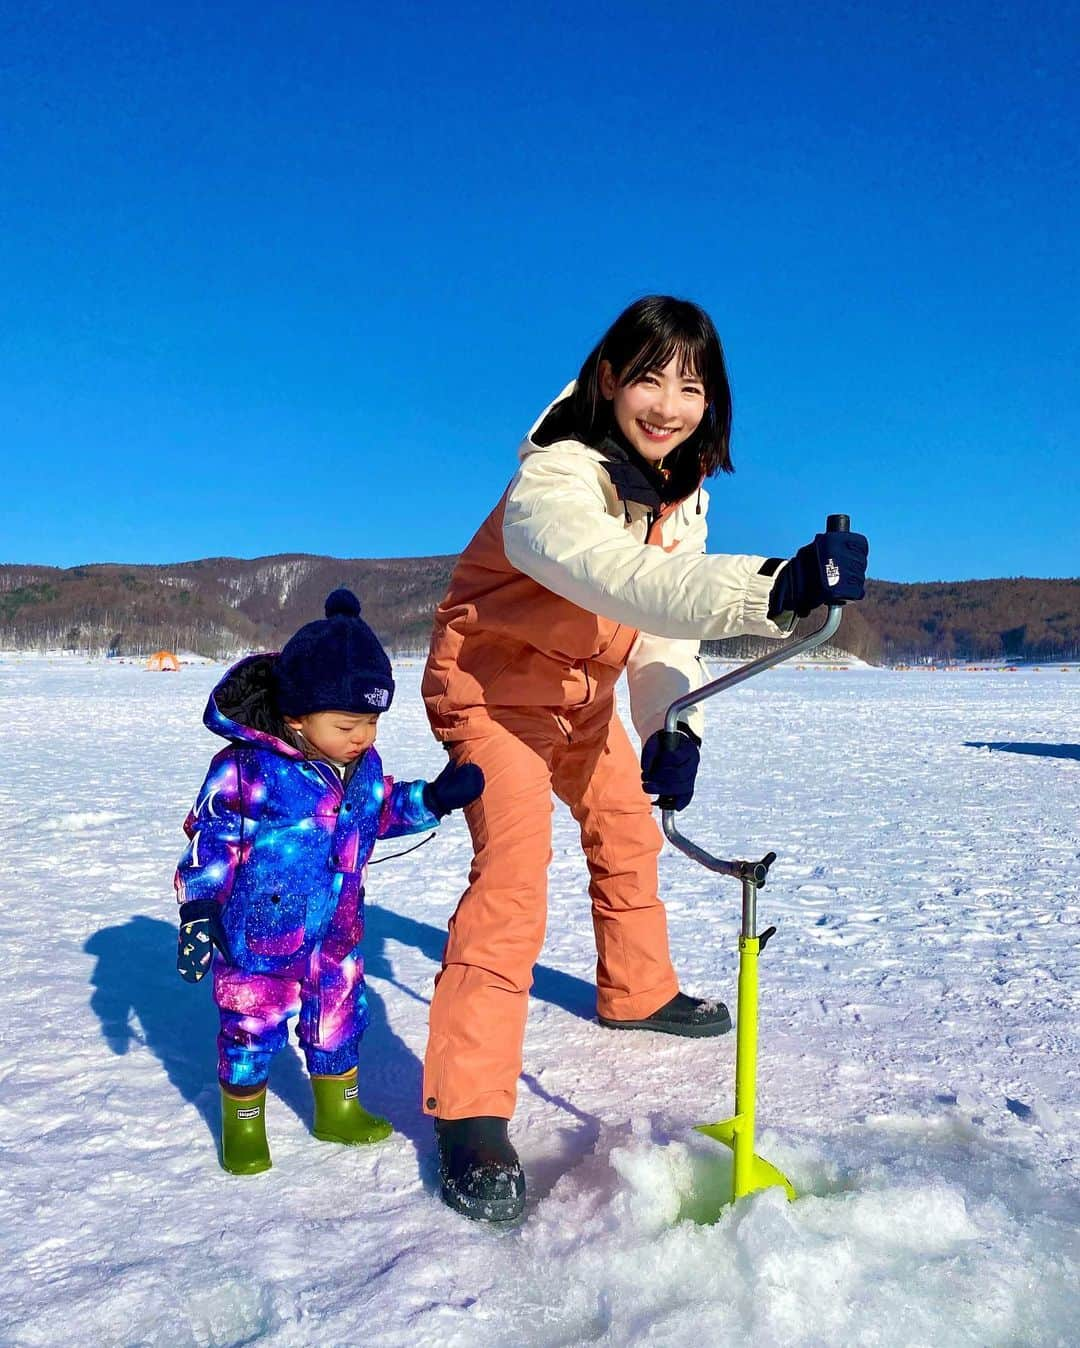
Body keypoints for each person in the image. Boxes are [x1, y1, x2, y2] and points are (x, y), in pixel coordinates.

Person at [420, 295, 869, 1221]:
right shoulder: (555, 478)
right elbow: (617, 578)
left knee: (627, 829)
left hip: (581, 704)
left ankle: (638, 991)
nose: (668, 403)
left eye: (692, 385)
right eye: (650, 378)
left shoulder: (680, 498)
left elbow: (660, 638)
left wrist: (674, 725)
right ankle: (468, 1112)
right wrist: (768, 587)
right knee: (513, 876)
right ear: (608, 380)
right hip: (493, 696)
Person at [174, 588, 483, 1175]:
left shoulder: (359, 767)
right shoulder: (247, 769)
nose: (363, 736)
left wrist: (434, 799)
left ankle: (336, 1110)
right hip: (259, 937)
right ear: (297, 714)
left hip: (336, 933)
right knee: (249, 1029)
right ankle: (244, 1126)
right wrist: (199, 908)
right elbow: (211, 840)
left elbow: (381, 809)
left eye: (371, 721)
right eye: (348, 723)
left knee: (339, 1017)